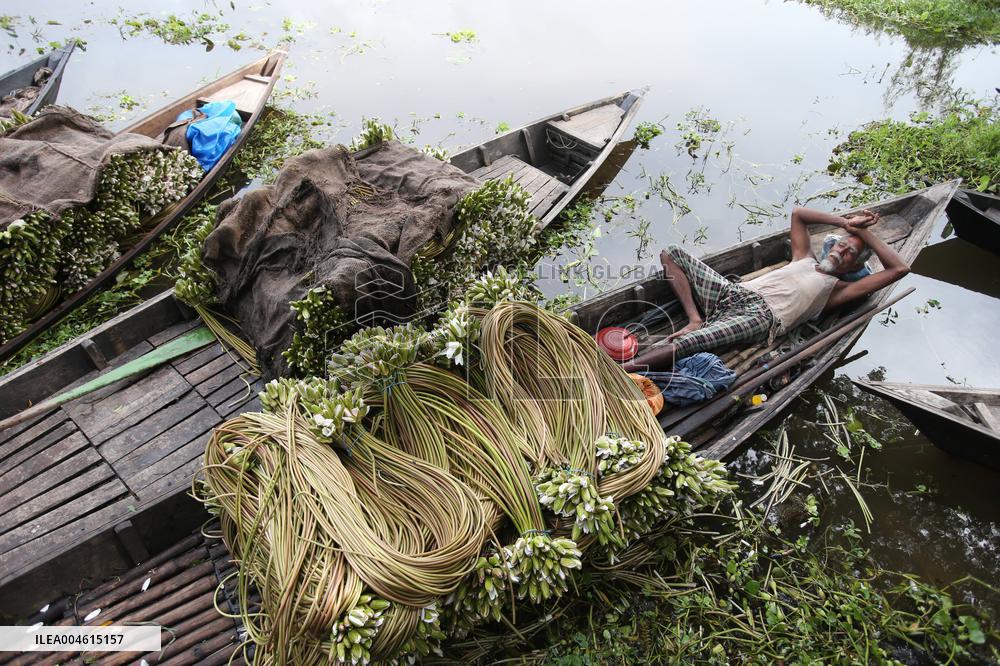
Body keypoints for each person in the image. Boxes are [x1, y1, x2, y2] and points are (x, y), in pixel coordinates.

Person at [622, 206, 910, 372]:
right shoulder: (804, 258)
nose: (840, 251)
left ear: (853, 266)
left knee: (687, 344)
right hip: (731, 293)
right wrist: (847, 223)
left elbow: (898, 269)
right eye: (841, 245)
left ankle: (623, 372)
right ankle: (695, 318)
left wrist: (863, 233)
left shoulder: (838, 290)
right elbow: (799, 214)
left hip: (761, 319)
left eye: (849, 253)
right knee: (672, 252)